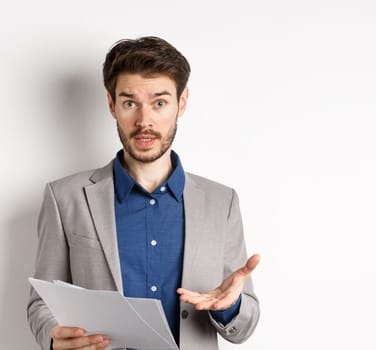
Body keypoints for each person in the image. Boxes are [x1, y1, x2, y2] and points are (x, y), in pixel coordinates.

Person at [27, 36, 260, 350]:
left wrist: (229, 306)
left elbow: (244, 326)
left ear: (183, 102)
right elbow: (41, 302)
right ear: (112, 105)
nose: (144, 120)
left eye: (159, 102)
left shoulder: (222, 203)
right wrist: (54, 338)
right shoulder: (64, 197)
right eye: (130, 103)